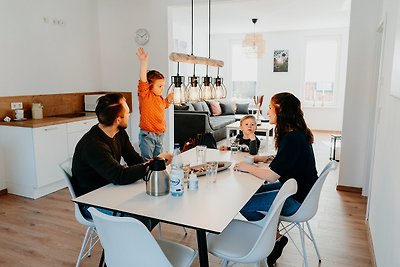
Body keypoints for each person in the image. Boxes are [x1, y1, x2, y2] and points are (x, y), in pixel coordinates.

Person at [234, 92, 318, 265]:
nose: (267, 112)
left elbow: (271, 176)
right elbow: (288, 160)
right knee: (252, 192)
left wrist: (246, 167)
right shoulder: (295, 134)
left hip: (296, 199)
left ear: (280, 111)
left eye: (271, 108)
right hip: (298, 190)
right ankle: (273, 236)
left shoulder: (292, 139)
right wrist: (263, 159)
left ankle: (272, 239)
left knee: (242, 203)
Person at [72, 93, 172, 230]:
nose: (130, 114)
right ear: (118, 119)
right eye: (127, 111)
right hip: (92, 203)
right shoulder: (93, 145)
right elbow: (120, 176)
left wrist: (154, 163)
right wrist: (155, 162)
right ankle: (116, 249)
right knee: (139, 219)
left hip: (112, 191)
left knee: (153, 209)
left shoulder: (119, 133)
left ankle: (129, 247)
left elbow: (134, 160)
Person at [136, 47, 174, 160]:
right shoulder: (145, 95)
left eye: (163, 85)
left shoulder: (160, 98)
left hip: (160, 134)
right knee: (147, 159)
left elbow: (165, 105)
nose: (162, 88)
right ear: (149, 86)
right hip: (148, 134)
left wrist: (169, 99)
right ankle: (147, 177)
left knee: (158, 159)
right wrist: (144, 62)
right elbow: (143, 80)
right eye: (160, 86)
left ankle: (157, 177)